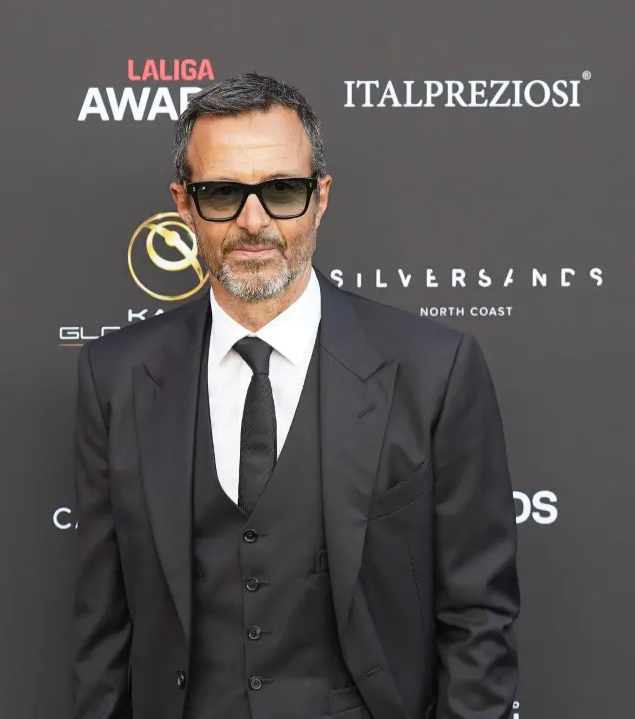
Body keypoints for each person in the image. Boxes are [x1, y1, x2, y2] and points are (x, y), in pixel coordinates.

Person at [70, 73, 519, 719]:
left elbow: (478, 617)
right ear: (183, 205)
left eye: (281, 190)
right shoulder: (115, 377)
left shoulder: (434, 371)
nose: (253, 223)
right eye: (222, 193)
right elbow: (101, 630)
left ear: (320, 198)